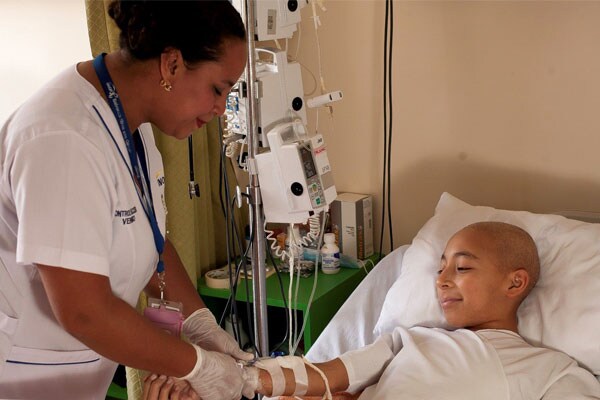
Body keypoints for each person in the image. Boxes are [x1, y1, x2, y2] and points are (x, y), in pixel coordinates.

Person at [0, 1, 255, 399]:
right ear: (171, 65)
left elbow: (149, 240)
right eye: (218, 89)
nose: (221, 109)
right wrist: (195, 365)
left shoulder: (131, 125)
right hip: (18, 376)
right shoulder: (64, 137)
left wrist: (200, 324)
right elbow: (83, 310)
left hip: (74, 375)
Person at [240, 222, 600, 399]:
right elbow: (326, 374)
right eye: (440, 268)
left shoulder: (549, 370)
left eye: (461, 268)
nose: (441, 280)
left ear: (515, 283)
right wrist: (244, 378)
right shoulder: (406, 340)